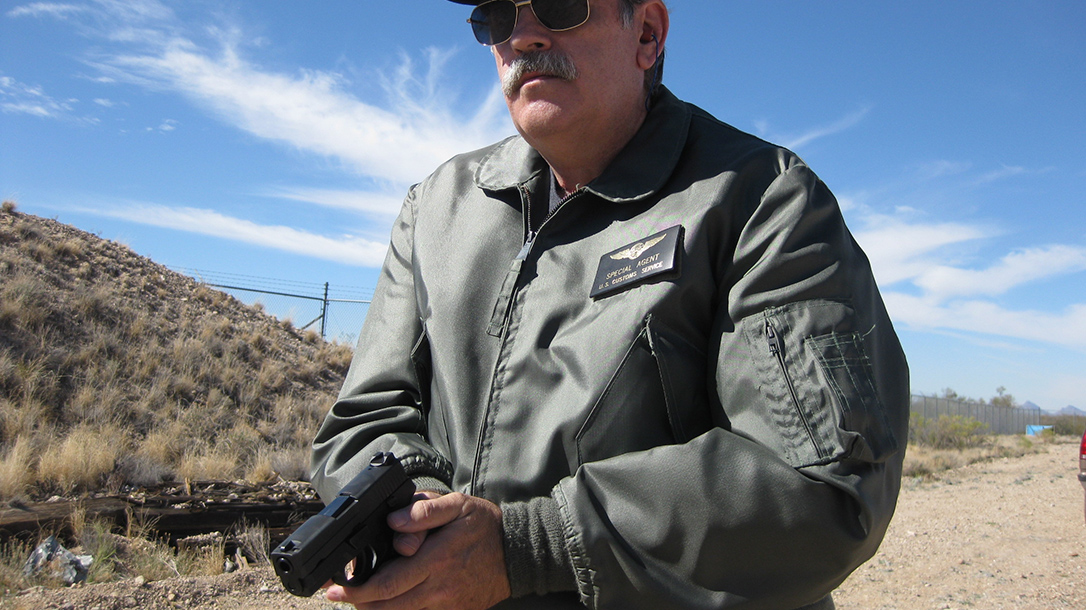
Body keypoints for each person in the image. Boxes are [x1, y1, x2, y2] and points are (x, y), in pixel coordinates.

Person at [309, 0, 910, 608]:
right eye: (495, 15)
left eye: (560, 6)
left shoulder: (763, 201)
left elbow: (826, 482)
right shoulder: (436, 208)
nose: (522, 35)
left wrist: (525, 549)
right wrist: (421, 517)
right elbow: (365, 418)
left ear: (646, 33)